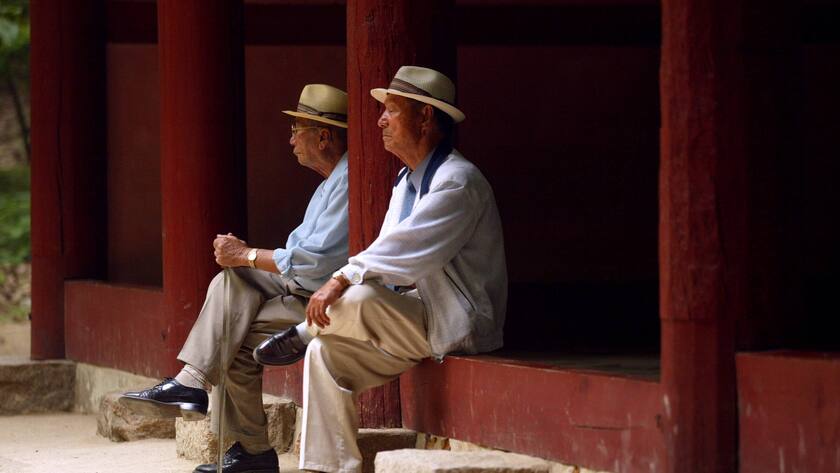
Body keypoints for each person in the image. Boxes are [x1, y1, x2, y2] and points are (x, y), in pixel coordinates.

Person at [254, 66, 508, 473]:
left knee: (360, 293)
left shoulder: (458, 180)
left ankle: (301, 331)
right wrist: (350, 279)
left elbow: (408, 253)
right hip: (414, 321)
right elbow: (386, 256)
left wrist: (339, 278)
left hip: (457, 324)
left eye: (391, 109)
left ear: (425, 117)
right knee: (325, 352)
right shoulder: (407, 181)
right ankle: (329, 466)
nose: (380, 120)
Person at [120, 84, 351, 473]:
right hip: (304, 289)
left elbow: (312, 262)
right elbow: (301, 257)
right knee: (232, 288)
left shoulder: (348, 181)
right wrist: (243, 260)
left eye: (298, 129)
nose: (291, 138)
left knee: (231, 328)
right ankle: (241, 443)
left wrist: (245, 254)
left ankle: (239, 437)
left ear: (324, 136)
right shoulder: (331, 182)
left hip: (331, 298)